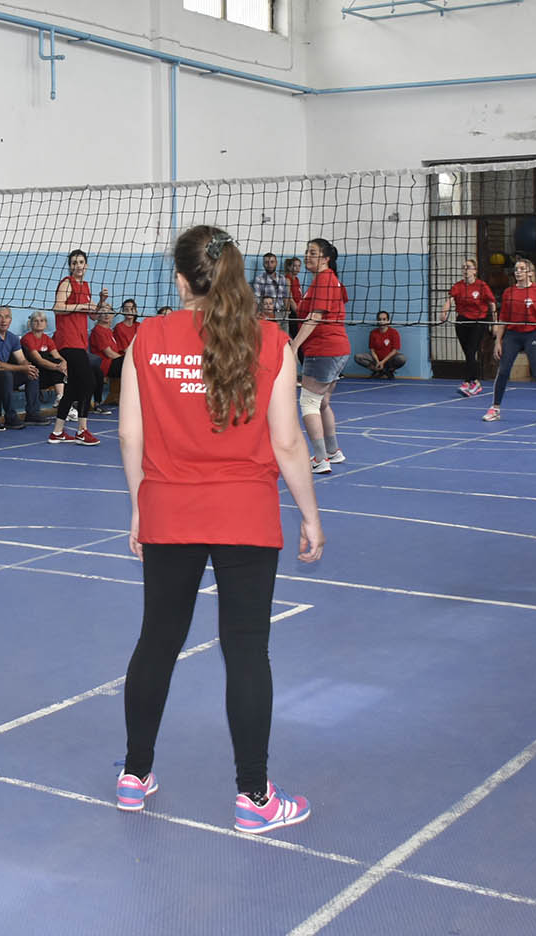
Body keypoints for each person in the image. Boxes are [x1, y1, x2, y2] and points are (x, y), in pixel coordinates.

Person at [115, 225, 323, 832]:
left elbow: (129, 434)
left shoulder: (146, 339)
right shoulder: (271, 341)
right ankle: (254, 799)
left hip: (169, 509)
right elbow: (288, 442)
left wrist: (139, 506)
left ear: (182, 280)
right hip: (245, 514)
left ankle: (134, 775)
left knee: (157, 641)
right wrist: (310, 515)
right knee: (247, 650)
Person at [482, 257, 536, 425]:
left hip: (532, 335)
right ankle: (495, 409)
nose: (518, 272)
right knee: (503, 371)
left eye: (522, 269)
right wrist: (498, 341)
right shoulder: (509, 293)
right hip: (512, 336)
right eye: (516, 269)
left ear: (530, 272)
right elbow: (503, 319)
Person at [290, 237, 349, 471]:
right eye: (307, 251)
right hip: (337, 350)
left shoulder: (325, 280)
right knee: (323, 402)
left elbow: (315, 317)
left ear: (325, 258)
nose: (307, 256)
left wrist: (294, 345)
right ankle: (333, 452)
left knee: (308, 403)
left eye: (313, 253)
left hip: (324, 349)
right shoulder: (327, 280)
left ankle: (320, 458)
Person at [48, 250, 105, 445]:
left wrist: (101, 303)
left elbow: (93, 316)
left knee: (72, 388)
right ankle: (82, 430)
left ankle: (57, 432)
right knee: (89, 383)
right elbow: (57, 307)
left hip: (80, 342)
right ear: (70, 266)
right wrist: (79, 306)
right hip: (68, 342)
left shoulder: (86, 286)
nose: (78, 265)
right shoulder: (67, 283)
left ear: (86, 265)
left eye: (81, 262)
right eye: (74, 262)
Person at [442, 257, 495, 397]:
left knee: (471, 350)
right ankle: (474, 381)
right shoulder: (458, 286)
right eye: (464, 267)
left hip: (478, 321)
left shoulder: (482, 286)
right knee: (468, 353)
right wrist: (444, 311)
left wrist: (494, 323)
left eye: (469, 267)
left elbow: (492, 303)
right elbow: (450, 299)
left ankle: (469, 382)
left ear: (475, 271)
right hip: (462, 322)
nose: (466, 270)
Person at [0, 305, 32, 429]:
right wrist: (22, 368)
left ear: (11, 320)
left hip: (5, 376)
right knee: (6, 375)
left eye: (7, 317)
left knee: (33, 374)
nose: (3, 320)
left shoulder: (13, 337)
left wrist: (28, 367)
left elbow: (21, 359)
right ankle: (10, 417)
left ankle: (33, 413)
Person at [89, 303, 121, 412]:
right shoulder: (98, 330)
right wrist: (127, 360)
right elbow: (109, 354)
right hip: (104, 365)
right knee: (132, 365)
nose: (106, 315)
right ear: (98, 315)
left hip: (113, 363)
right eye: (103, 312)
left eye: (109, 312)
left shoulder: (109, 331)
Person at [355, 311, 405, 378]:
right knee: (358, 357)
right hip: (376, 360)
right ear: (377, 321)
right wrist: (378, 362)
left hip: (389, 360)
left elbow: (394, 351)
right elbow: (372, 350)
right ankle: (377, 370)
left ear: (388, 321)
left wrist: (382, 362)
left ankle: (389, 370)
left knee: (402, 358)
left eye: (384, 319)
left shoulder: (394, 332)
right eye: (379, 319)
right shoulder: (373, 333)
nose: (382, 321)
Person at [250, 254, 292, 321]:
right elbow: (256, 300)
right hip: (266, 315)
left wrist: (286, 313)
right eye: (266, 262)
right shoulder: (259, 279)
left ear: (276, 263)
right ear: (263, 264)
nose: (269, 265)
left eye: (272, 262)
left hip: (281, 314)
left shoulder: (282, 278)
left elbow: (286, 297)